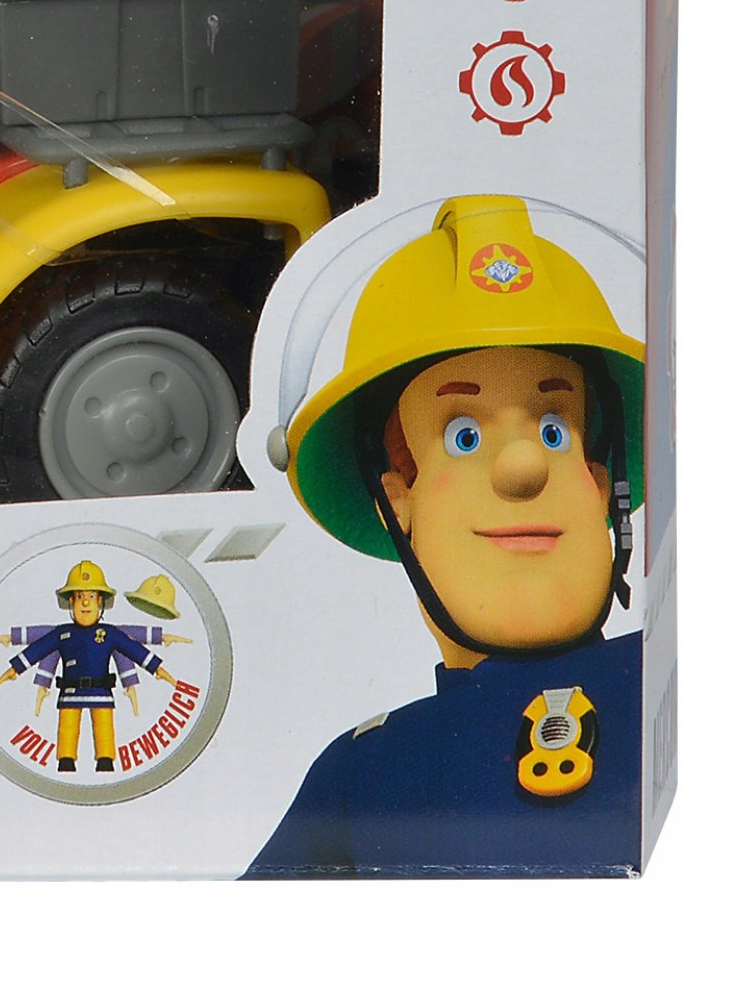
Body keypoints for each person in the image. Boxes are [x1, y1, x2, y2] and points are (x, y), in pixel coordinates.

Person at [247, 195, 646, 875]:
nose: (524, 466)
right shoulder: (362, 775)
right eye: (463, 436)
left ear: (603, 484)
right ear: (396, 503)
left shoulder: (688, 675)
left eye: (555, 431)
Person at [0, 561, 183, 773]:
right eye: (79, 596)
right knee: (67, 730)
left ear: (100, 601)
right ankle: (66, 761)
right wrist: (15, 669)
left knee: (104, 731)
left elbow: (134, 650)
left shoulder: (109, 633)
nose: (85, 602)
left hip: (101, 693)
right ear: (71, 601)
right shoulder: (62, 633)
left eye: (91, 596)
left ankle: (105, 761)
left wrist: (157, 668)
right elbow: (38, 649)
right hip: (69, 693)